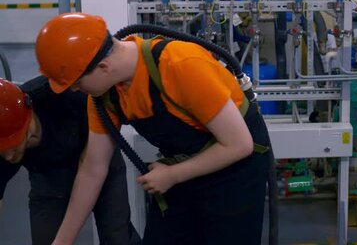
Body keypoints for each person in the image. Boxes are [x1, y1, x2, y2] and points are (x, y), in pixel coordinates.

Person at [35, 13, 271, 245]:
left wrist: (172, 174)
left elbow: (239, 145)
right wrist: (62, 241)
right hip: (182, 170)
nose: (75, 90)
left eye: (77, 83)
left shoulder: (180, 64)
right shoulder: (103, 97)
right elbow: (92, 169)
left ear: (104, 66)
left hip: (235, 171)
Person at [0, 76, 140, 245]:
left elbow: (93, 167)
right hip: (49, 180)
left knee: (117, 237)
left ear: (26, 122)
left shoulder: (64, 93)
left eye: (13, 147)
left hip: (97, 161)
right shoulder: (4, 146)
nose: (8, 157)